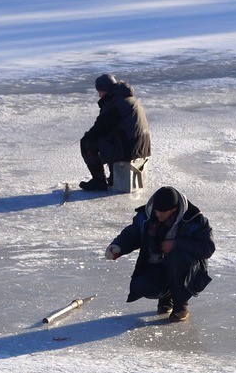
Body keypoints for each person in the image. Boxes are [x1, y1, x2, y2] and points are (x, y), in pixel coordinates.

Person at [104, 186, 215, 322]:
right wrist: (117, 247)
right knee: (142, 286)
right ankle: (166, 296)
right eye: (156, 210)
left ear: (173, 210)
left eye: (162, 212)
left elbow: (208, 248)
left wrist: (176, 243)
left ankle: (180, 305)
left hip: (187, 268)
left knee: (176, 258)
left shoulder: (195, 219)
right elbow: (133, 233)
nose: (157, 214)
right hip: (156, 263)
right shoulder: (147, 214)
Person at [79, 74, 151, 191]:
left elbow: (100, 127)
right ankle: (114, 176)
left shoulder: (115, 103)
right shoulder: (127, 98)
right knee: (111, 138)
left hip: (129, 148)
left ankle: (98, 181)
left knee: (87, 142)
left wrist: (88, 135)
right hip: (142, 146)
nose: (99, 94)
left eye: (100, 91)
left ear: (105, 89)